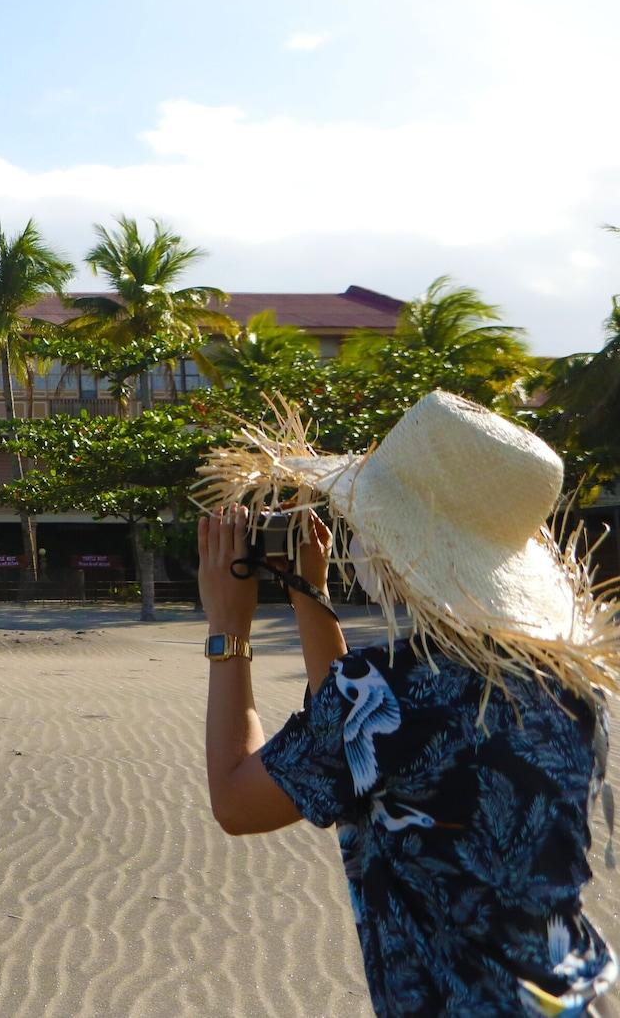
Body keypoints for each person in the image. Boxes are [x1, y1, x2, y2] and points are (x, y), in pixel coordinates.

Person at [194, 389, 617, 1017]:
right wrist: (310, 593)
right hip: (580, 993)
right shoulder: (566, 681)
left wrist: (229, 630)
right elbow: (357, 735)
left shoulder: (393, 688)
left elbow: (236, 801)